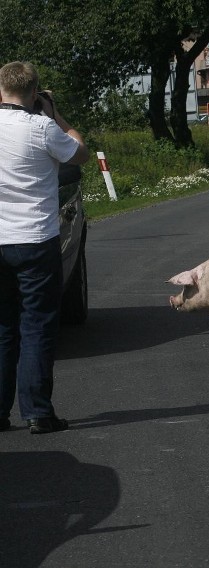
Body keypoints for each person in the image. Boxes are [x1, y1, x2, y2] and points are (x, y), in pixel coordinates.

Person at [0, 61, 89, 434]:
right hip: (36, 239)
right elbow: (80, 154)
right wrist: (58, 116)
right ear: (34, 92)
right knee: (36, 326)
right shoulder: (41, 127)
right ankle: (37, 411)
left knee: (3, 327)